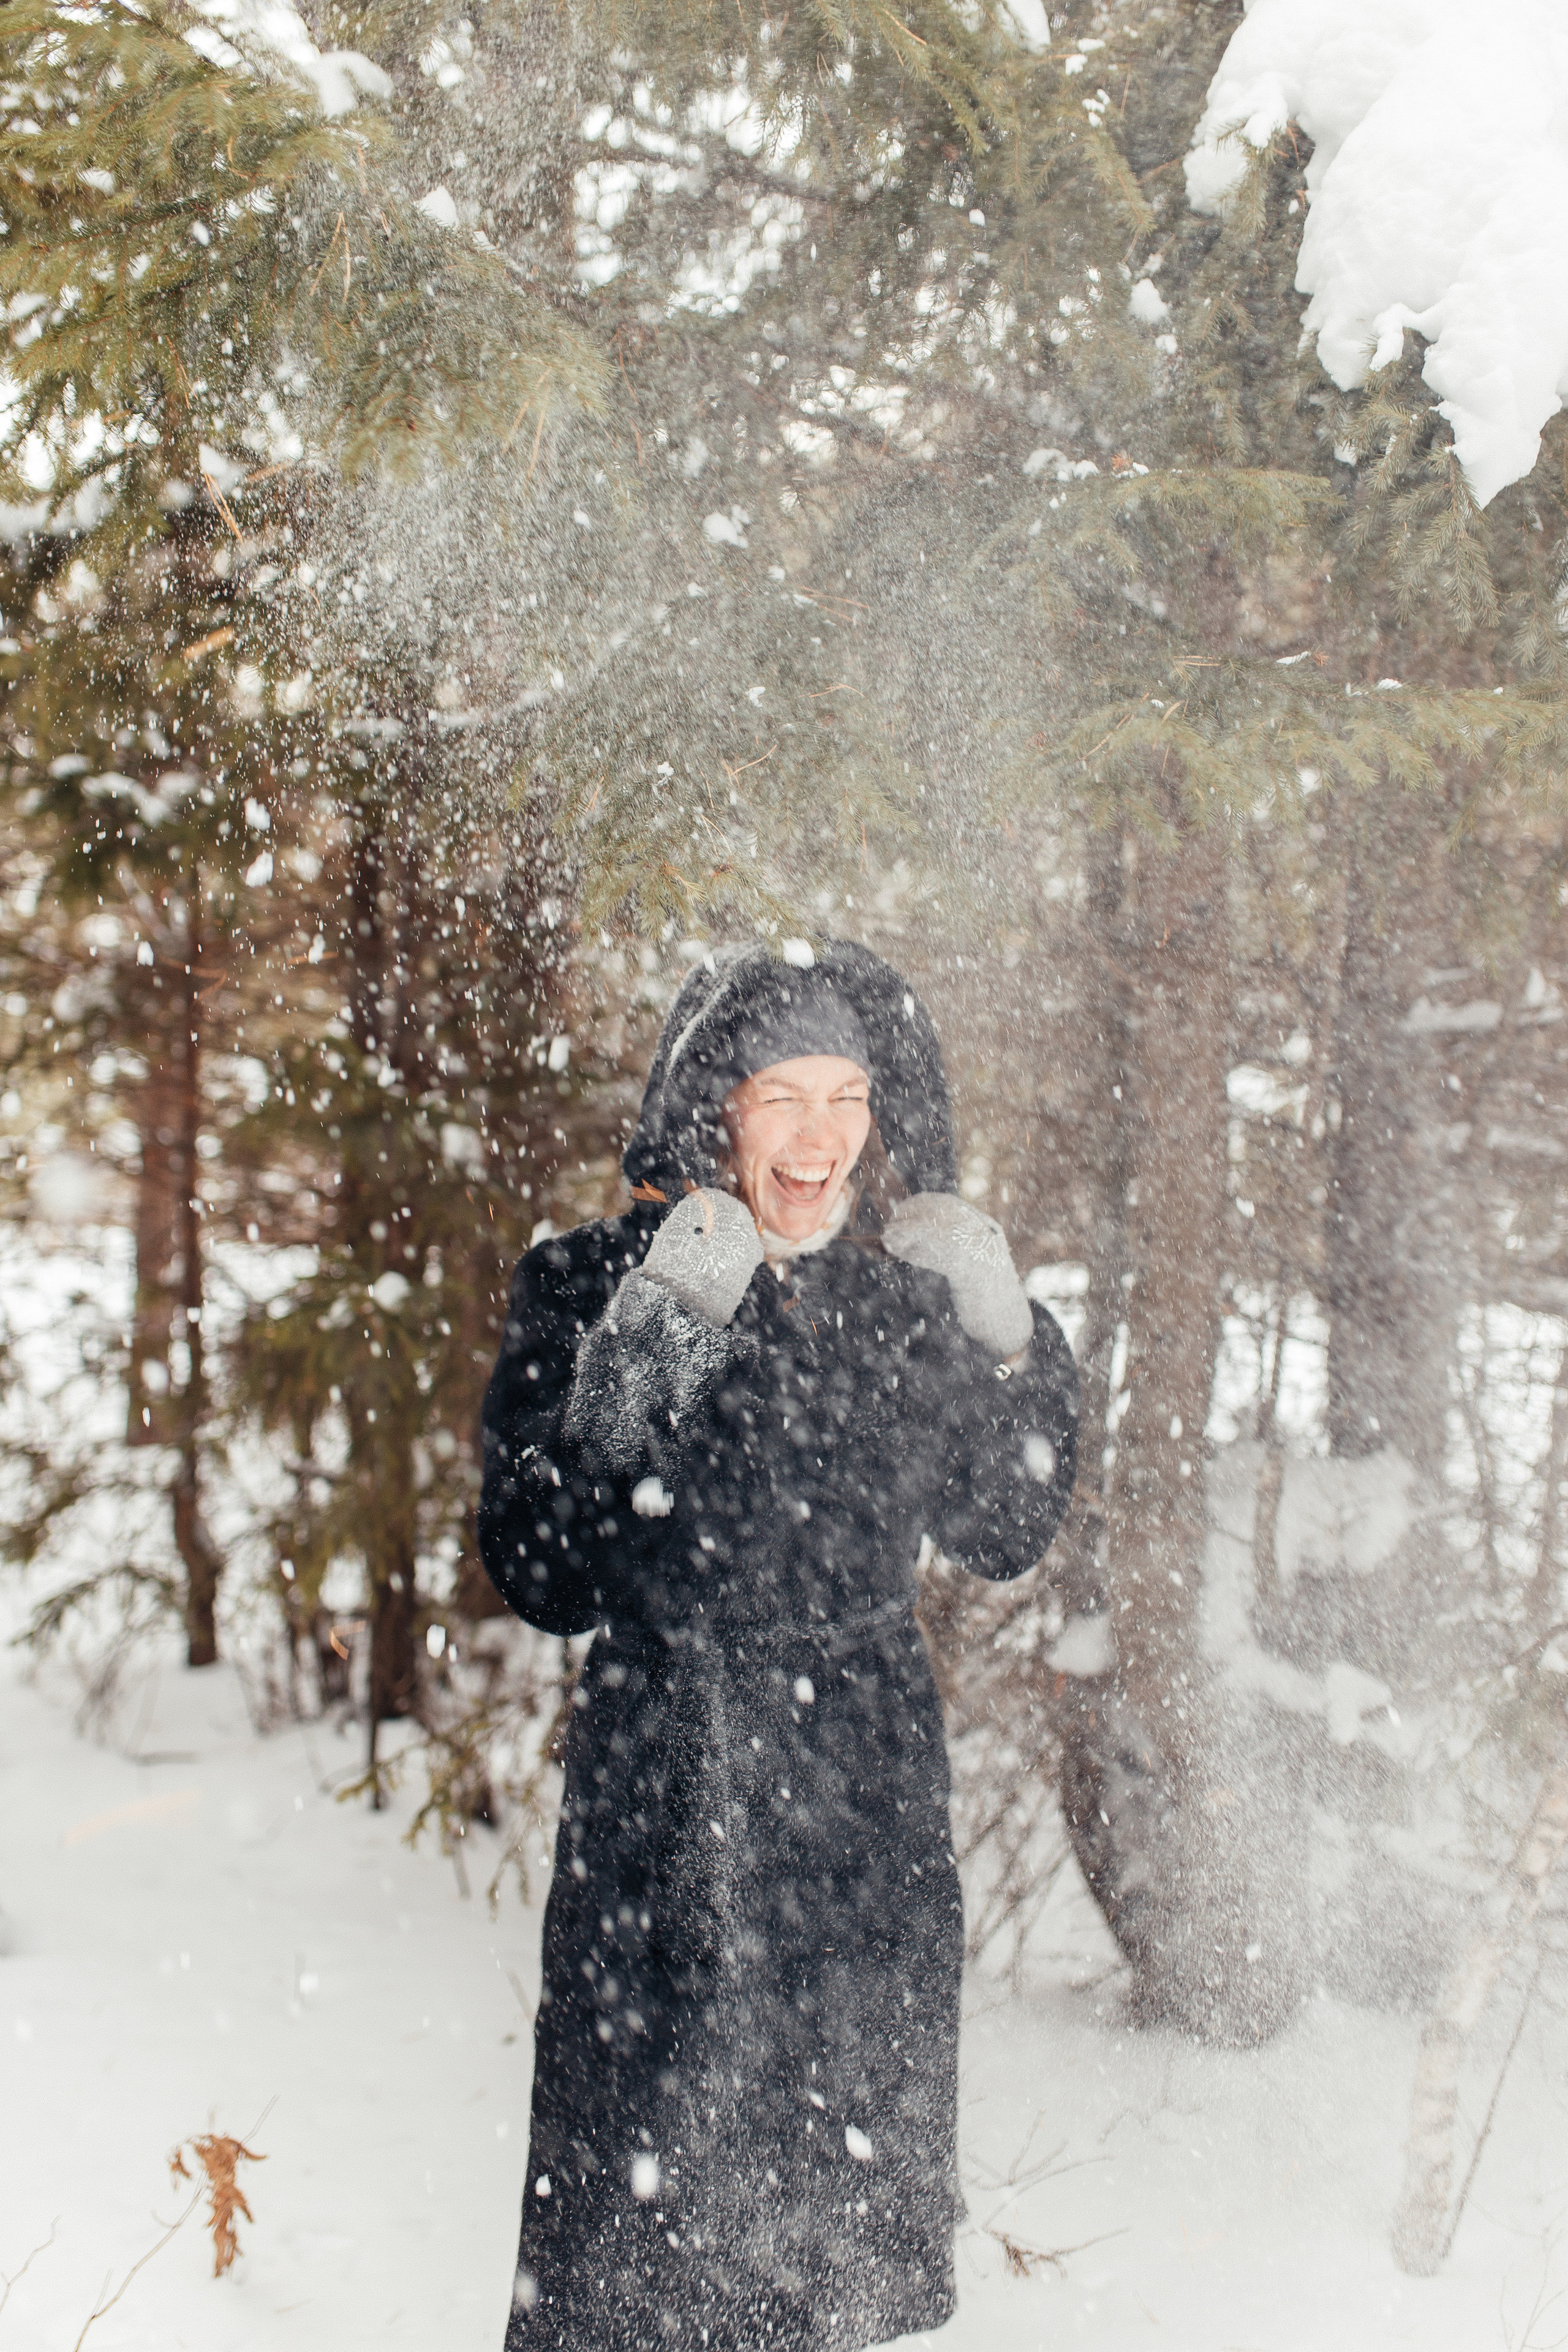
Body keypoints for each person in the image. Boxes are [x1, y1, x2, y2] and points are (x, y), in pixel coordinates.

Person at [478, 940, 1079, 2351]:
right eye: (780, 1097)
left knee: (837, 2245)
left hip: (860, 1793)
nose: (819, 1137)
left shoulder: (901, 1296)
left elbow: (1000, 1526)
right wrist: (655, 1337)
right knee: (637, 2249)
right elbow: (544, 1568)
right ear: (716, 1113)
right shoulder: (587, 1283)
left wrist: (1008, 1340)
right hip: (664, 1791)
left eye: (848, 1097)